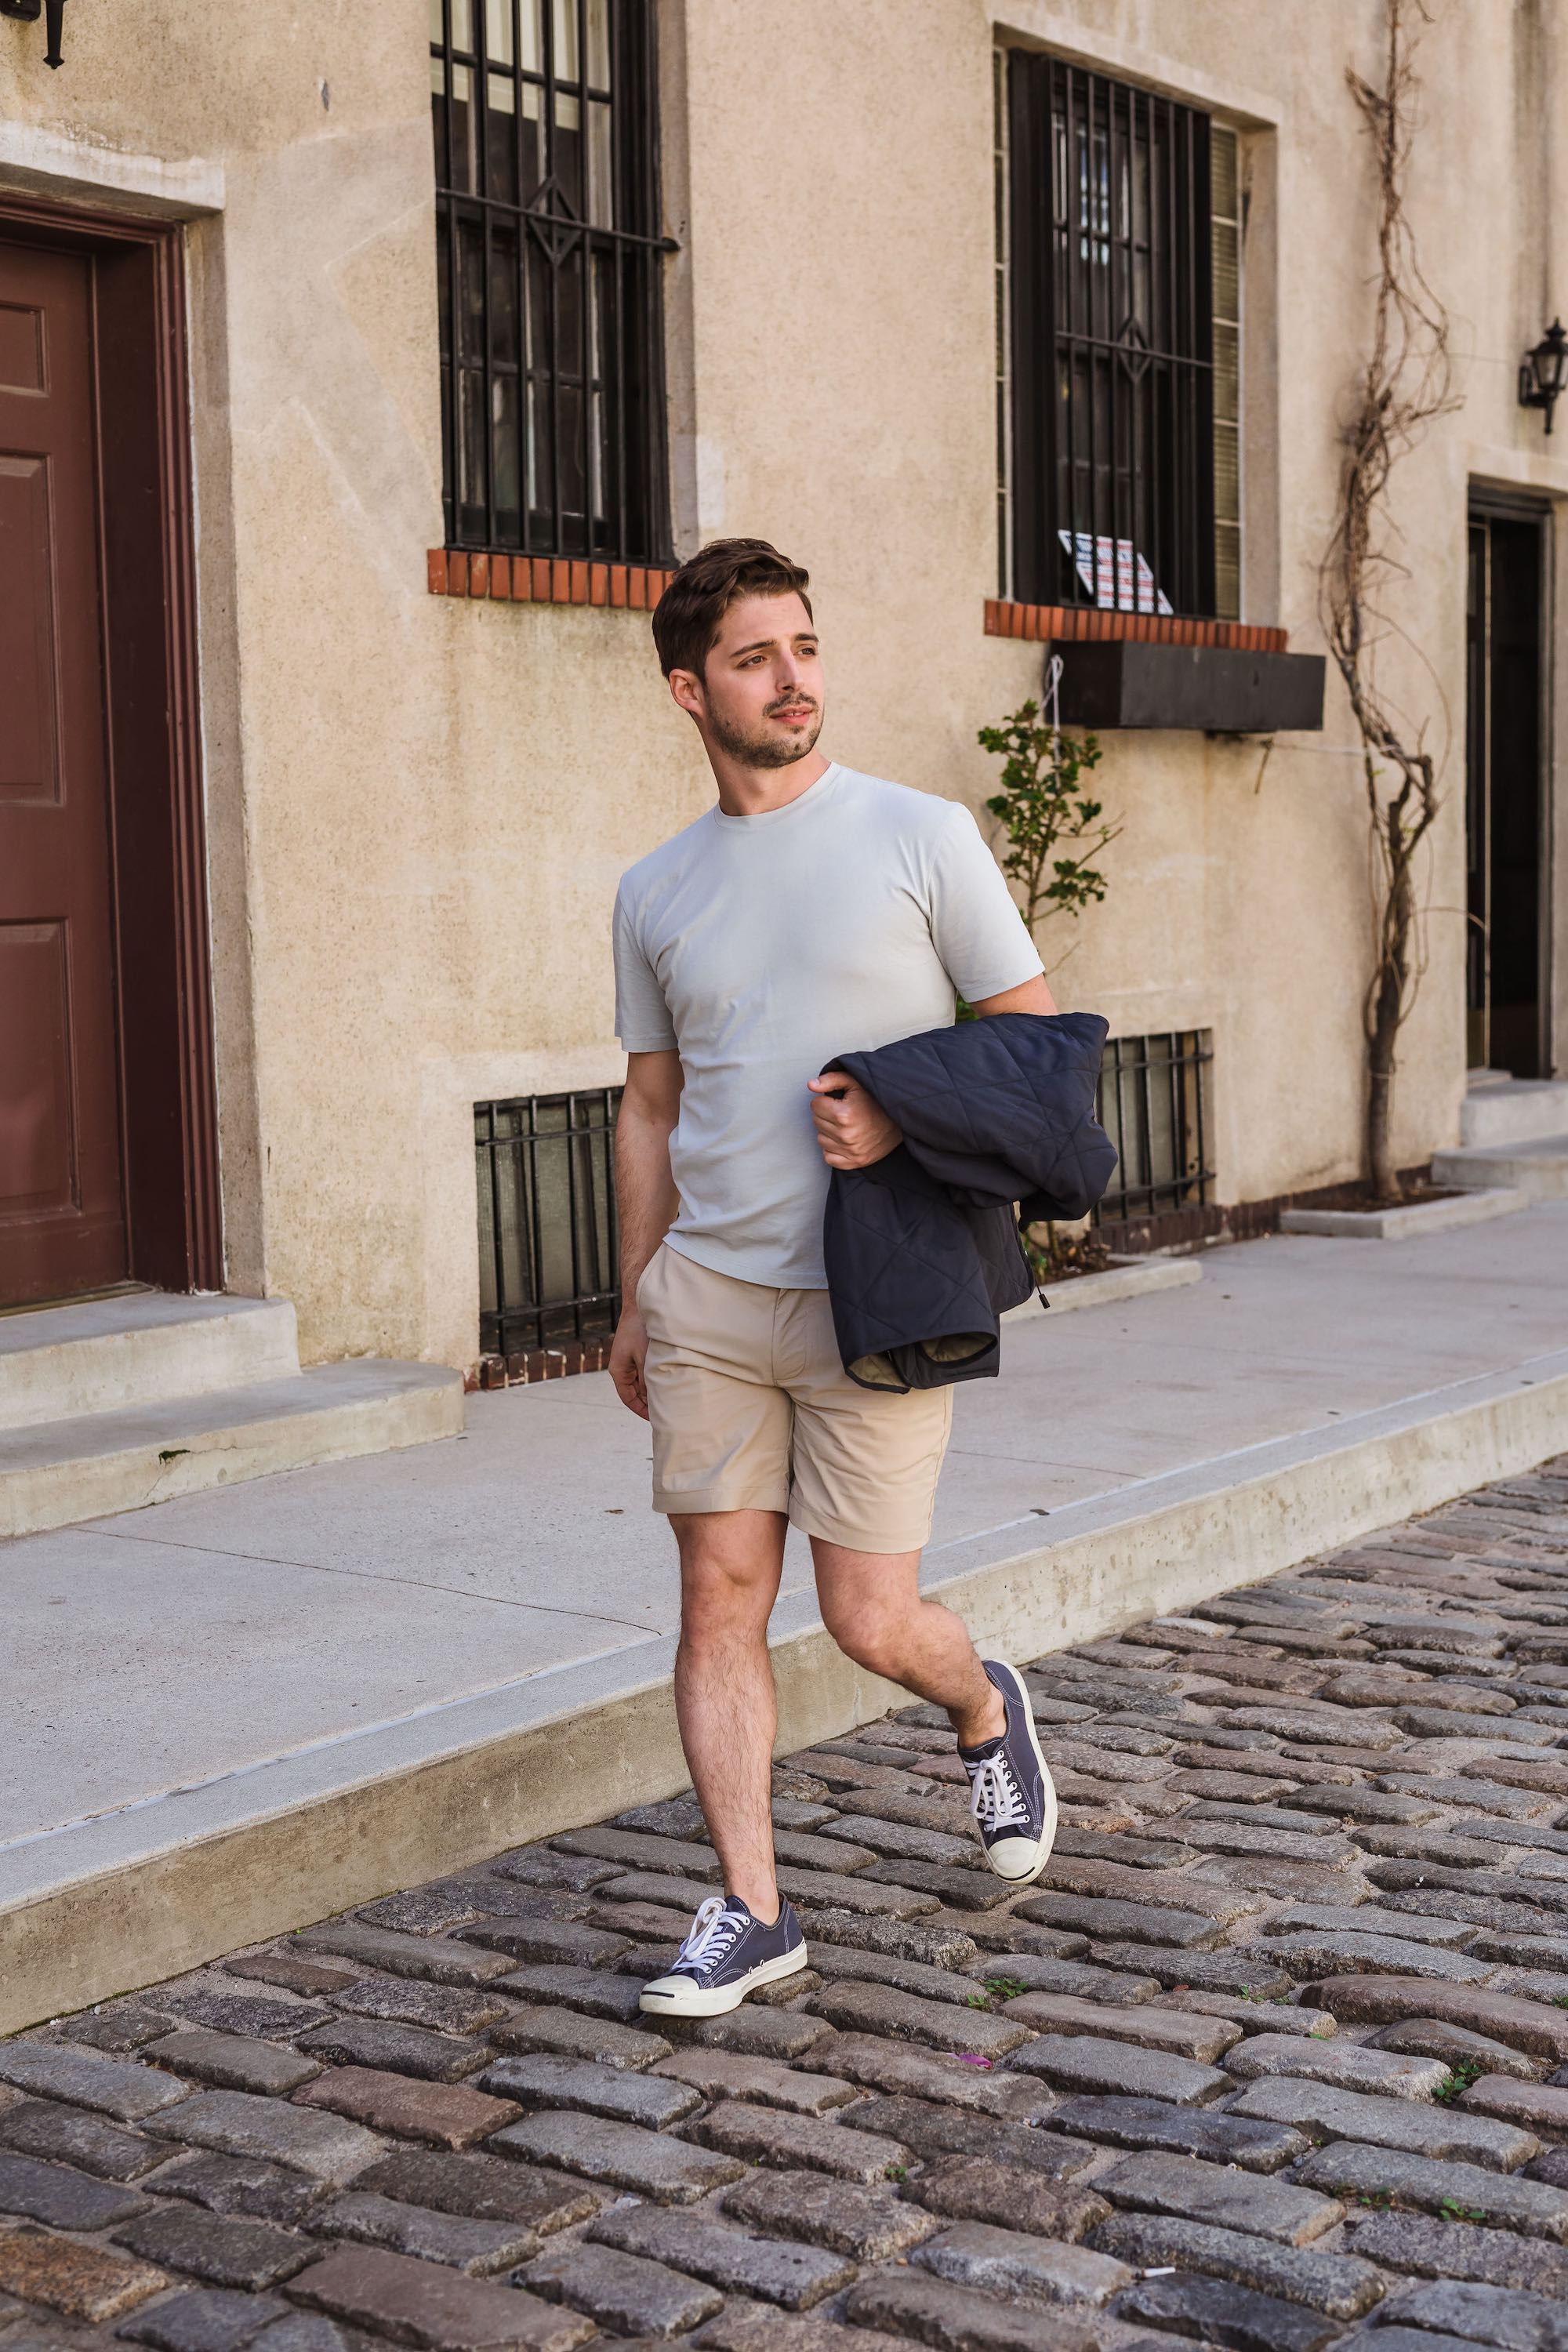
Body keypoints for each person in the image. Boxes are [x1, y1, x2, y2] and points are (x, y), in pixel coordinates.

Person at [608, 537, 1058, 2017]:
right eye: (755, 656)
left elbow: (1037, 1040)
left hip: (884, 1287)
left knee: (868, 1619)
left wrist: (895, 1108)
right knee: (716, 1600)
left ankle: (986, 1705)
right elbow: (651, 1104)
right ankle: (750, 1907)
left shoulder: (920, 835)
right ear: (691, 689)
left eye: (804, 646)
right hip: (712, 1303)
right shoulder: (656, 889)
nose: (795, 679)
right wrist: (633, 1293)